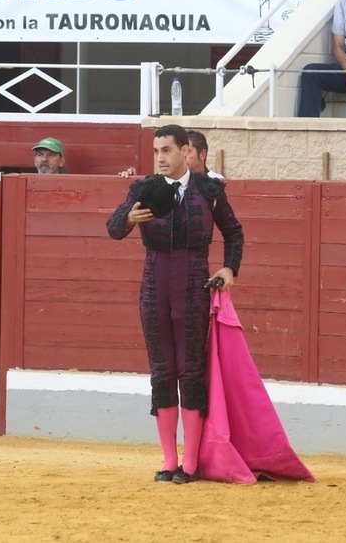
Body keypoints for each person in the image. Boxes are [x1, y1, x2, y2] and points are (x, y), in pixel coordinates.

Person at [106, 124, 244, 485]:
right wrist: (126, 219)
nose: (160, 158)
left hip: (193, 285)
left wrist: (229, 268)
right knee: (161, 371)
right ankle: (169, 461)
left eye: (166, 150)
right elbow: (112, 226)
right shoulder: (144, 189)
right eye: (156, 152)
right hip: (153, 284)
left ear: (186, 151)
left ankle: (192, 462)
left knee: (191, 370)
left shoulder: (210, 190)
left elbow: (233, 232)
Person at [120, 129, 223, 179]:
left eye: (188, 151)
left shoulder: (216, 180)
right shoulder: (165, 179)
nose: (182, 156)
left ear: (202, 154)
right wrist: (134, 181)